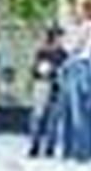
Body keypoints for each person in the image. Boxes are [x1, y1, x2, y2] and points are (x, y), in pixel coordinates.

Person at [60, 0, 91, 162]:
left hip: (79, 66)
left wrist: (68, 35)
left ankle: (80, 150)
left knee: (78, 111)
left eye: (78, 6)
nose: (76, 10)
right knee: (76, 110)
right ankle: (75, 149)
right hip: (78, 65)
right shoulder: (87, 26)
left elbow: (71, 46)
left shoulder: (87, 26)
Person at [28, 25, 66, 158]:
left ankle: (46, 146)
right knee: (41, 116)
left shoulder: (62, 53)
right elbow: (35, 69)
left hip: (52, 85)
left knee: (51, 117)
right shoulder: (44, 51)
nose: (62, 40)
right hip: (44, 84)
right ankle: (37, 145)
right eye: (60, 37)